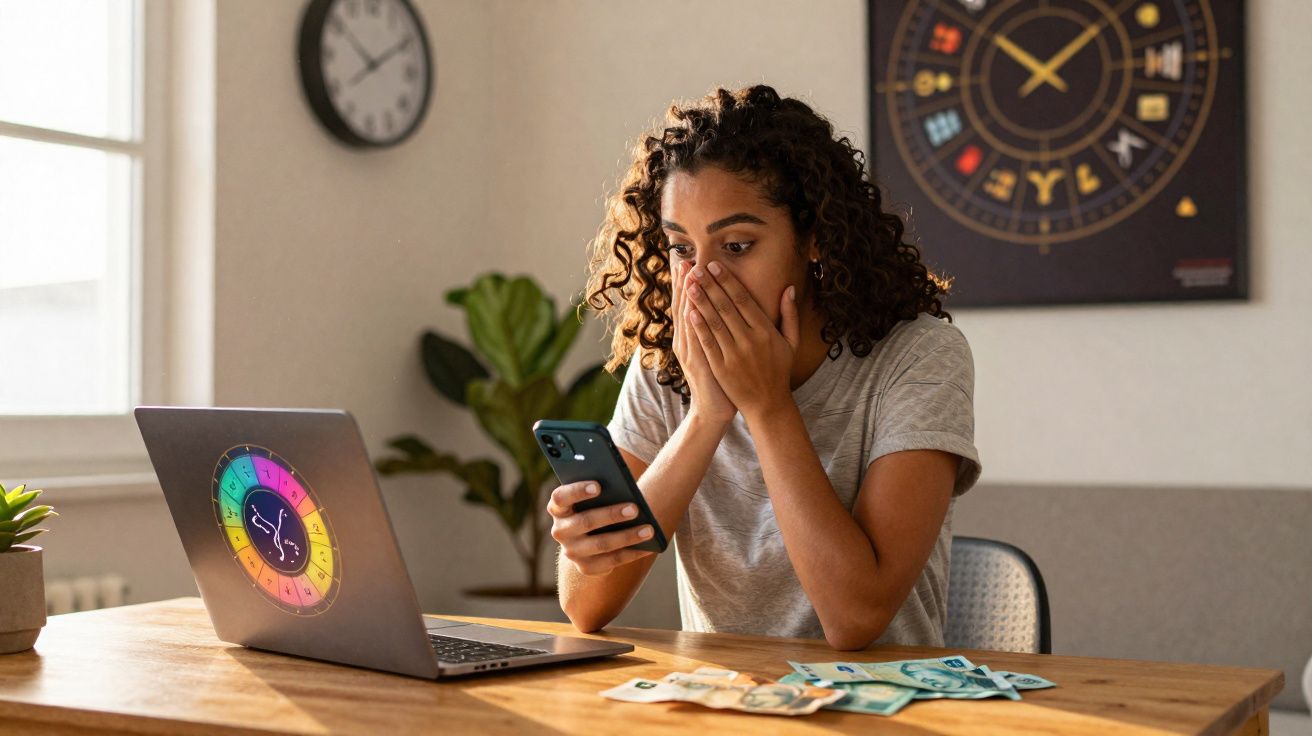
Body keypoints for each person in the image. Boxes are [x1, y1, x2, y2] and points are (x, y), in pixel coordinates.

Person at [549, 84, 982, 650]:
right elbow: (585, 605)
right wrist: (706, 415)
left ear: (814, 240)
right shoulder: (669, 360)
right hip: (724, 703)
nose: (702, 278)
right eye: (682, 248)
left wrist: (767, 405)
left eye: (736, 246)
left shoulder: (918, 357)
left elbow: (855, 618)